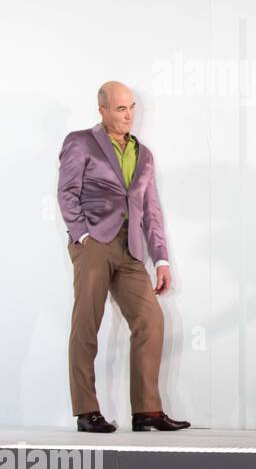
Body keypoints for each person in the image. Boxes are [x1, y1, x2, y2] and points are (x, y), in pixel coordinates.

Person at [57, 81, 189, 432]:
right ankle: (87, 411)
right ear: (101, 110)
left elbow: (151, 209)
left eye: (131, 107)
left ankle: (147, 411)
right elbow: (67, 192)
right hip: (94, 244)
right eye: (120, 108)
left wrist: (160, 259)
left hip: (131, 249)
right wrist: (81, 235)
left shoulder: (143, 154)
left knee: (151, 320)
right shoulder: (81, 142)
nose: (129, 114)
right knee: (87, 324)